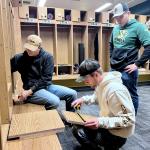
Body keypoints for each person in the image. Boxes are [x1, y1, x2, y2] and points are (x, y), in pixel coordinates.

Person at [71, 59, 135, 150]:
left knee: (80, 131)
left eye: (86, 79)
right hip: (107, 125)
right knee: (76, 128)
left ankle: (109, 146)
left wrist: (100, 122)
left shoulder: (115, 91)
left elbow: (129, 119)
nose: (84, 82)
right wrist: (83, 99)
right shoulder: (101, 84)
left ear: (96, 74)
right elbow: (96, 97)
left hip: (117, 135)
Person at [11, 34, 77, 111]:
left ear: (39, 48)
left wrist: (28, 92)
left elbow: (46, 79)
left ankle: (70, 120)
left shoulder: (47, 57)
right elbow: (7, 71)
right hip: (31, 90)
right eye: (27, 48)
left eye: (32, 49)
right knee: (55, 101)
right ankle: (46, 117)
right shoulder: (19, 58)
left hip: (45, 86)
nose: (28, 50)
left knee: (72, 94)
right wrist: (25, 92)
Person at [109, 2, 150, 114]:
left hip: (128, 70)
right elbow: (111, 45)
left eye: (121, 17)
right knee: (114, 93)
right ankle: (118, 116)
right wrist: (111, 59)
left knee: (130, 95)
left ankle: (130, 120)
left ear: (128, 13)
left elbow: (149, 47)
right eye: (116, 17)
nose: (118, 20)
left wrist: (137, 64)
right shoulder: (116, 28)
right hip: (114, 69)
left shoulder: (139, 27)